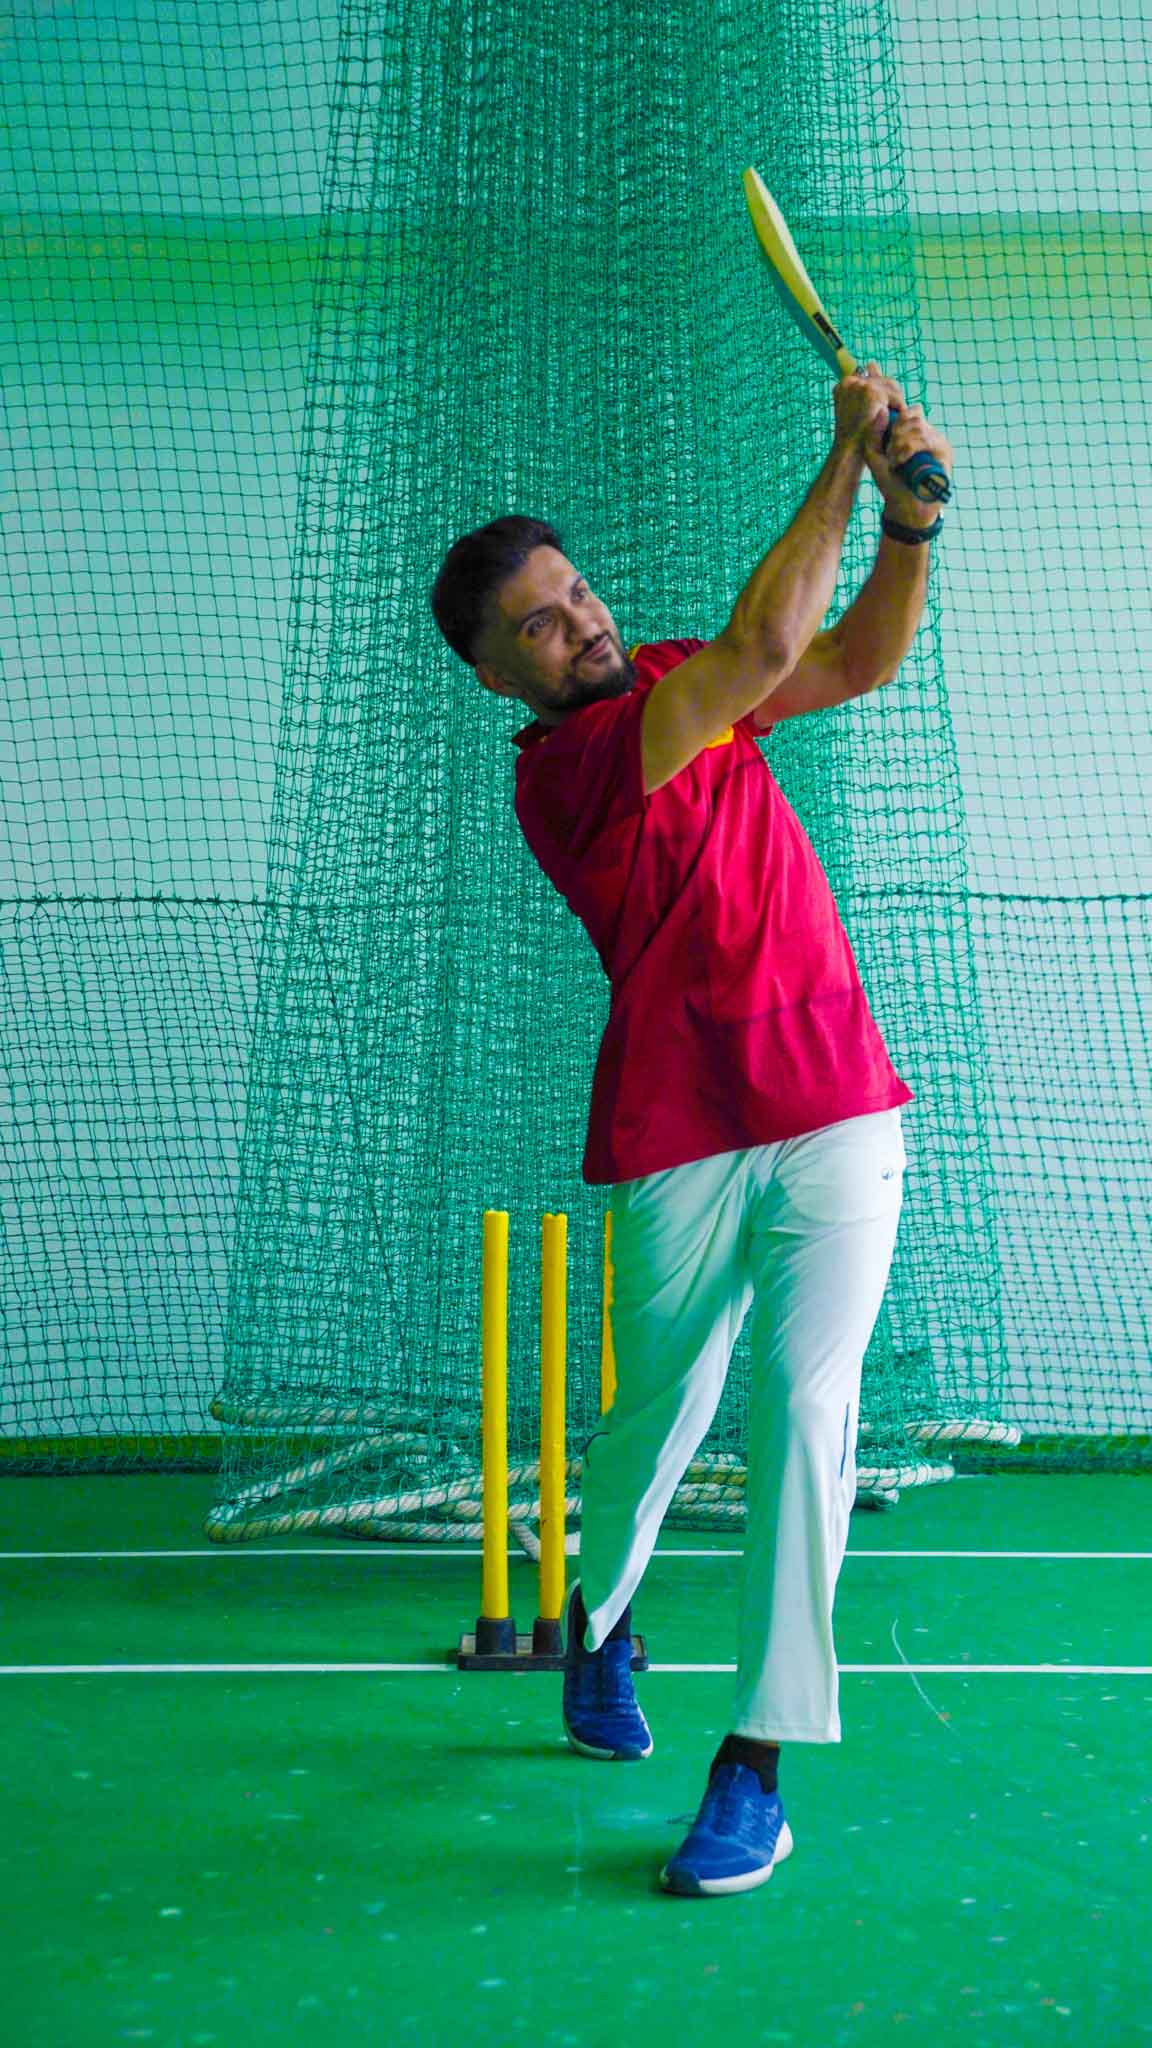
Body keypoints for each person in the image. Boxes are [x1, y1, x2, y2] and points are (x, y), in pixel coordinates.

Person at [430, 365, 954, 1897]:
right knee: (657, 1415)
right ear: (495, 675)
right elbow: (770, 640)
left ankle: (758, 1765)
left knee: (804, 1414)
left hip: (838, 1102)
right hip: (682, 1130)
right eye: (538, 621)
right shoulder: (573, 768)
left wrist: (908, 531)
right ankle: (599, 1624)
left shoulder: (672, 673)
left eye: (574, 589)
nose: (580, 620)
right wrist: (850, 457)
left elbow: (845, 658)